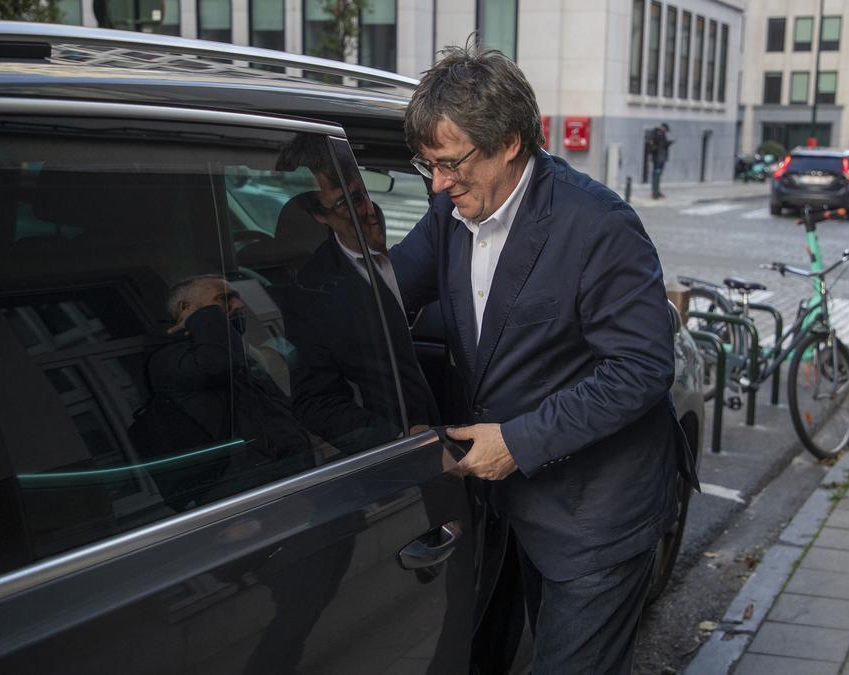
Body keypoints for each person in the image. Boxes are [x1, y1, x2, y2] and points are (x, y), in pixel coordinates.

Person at [392, 40, 697, 673]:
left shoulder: (596, 225)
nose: (440, 183)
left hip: (597, 516)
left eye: (450, 163)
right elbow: (387, 293)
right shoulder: (451, 212)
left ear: (509, 141)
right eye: (428, 166)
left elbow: (641, 368)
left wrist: (518, 441)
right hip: (519, 507)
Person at [286, 168, 439, 450]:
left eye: (365, 194)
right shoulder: (313, 293)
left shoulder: (405, 256)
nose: (370, 209)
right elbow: (316, 402)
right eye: (349, 202)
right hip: (400, 458)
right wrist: (395, 439)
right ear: (320, 216)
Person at [139, 274, 313, 508]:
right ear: (185, 308)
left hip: (290, 480)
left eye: (238, 298)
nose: (239, 305)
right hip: (243, 497)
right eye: (224, 298)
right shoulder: (167, 359)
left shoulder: (236, 351)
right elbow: (216, 364)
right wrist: (204, 316)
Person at [648, 122, 673, 199]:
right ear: (663, 128)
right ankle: (654, 192)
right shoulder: (656, 133)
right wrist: (654, 148)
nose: (665, 131)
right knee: (656, 174)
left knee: (659, 174)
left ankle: (657, 191)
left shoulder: (662, 134)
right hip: (657, 157)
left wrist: (669, 143)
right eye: (665, 129)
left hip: (662, 157)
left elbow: (664, 145)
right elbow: (651, 142)